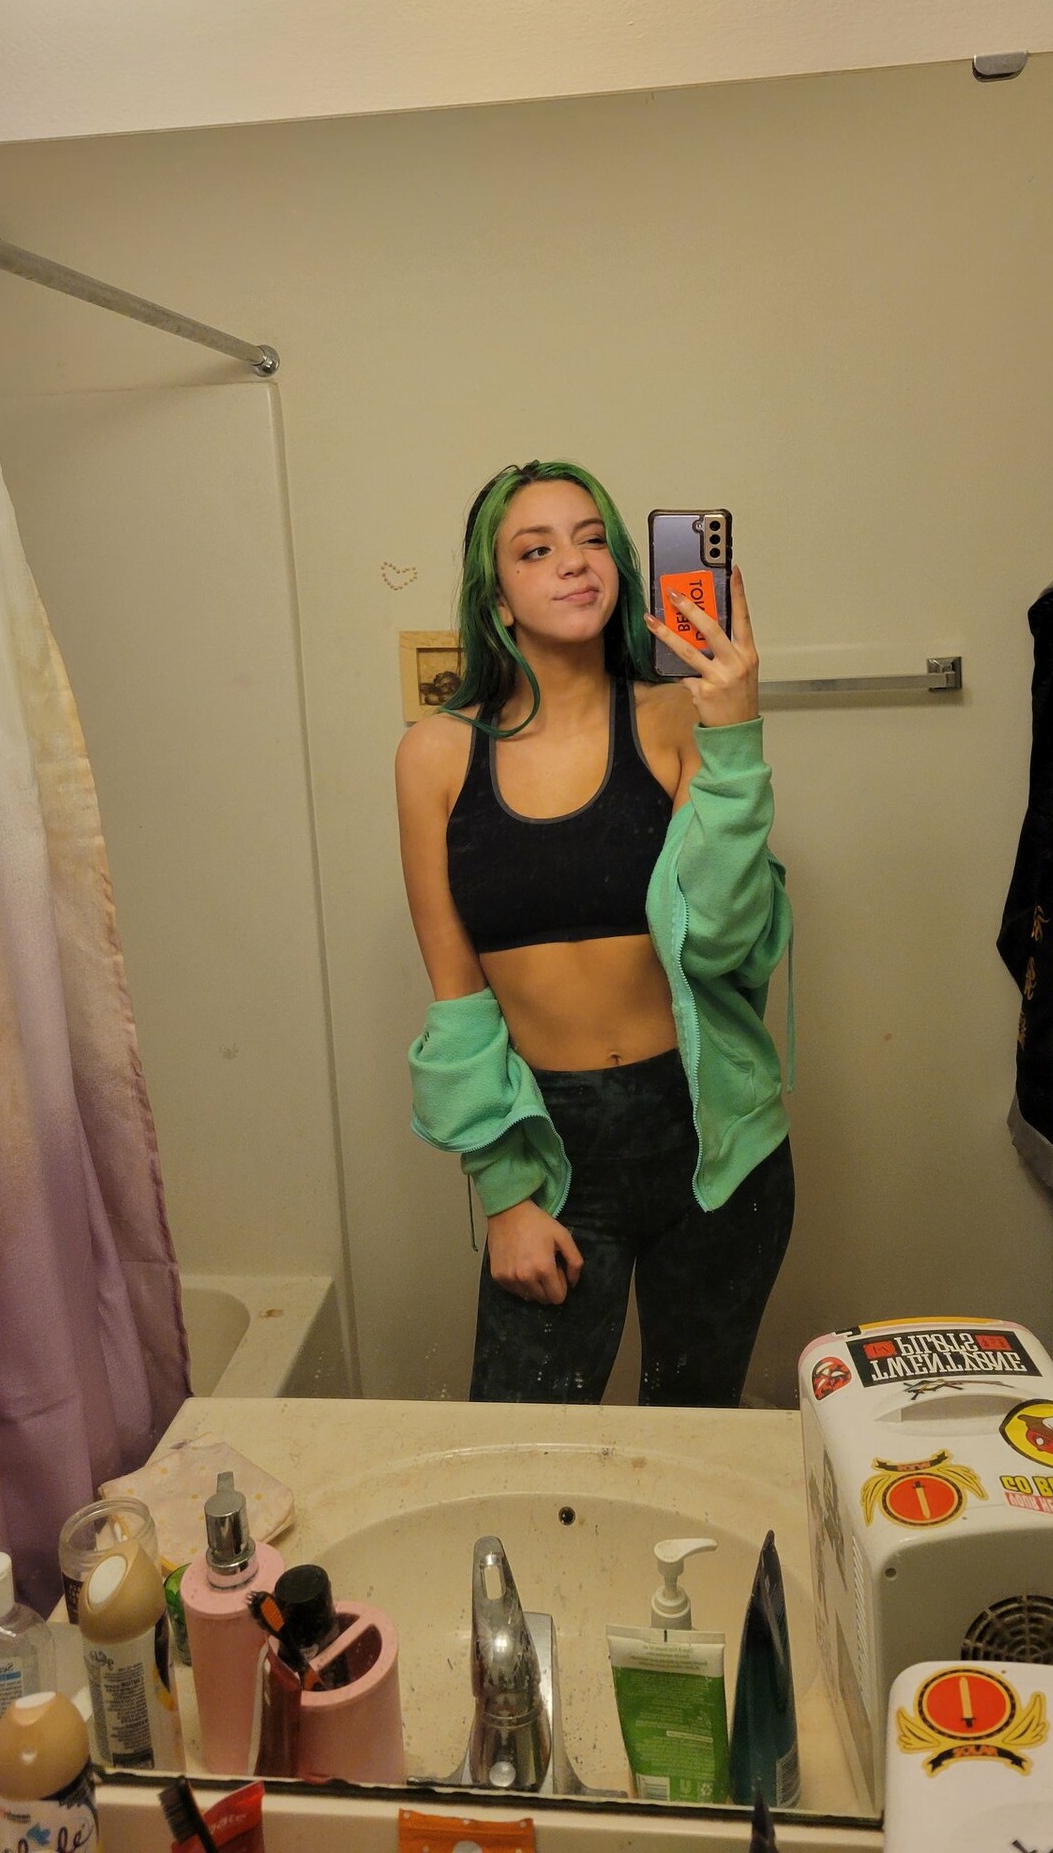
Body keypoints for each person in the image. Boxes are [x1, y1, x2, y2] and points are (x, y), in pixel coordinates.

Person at [396, 460, 794, 1405]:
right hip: (552, 1146)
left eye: (590, 541)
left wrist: (735, 739)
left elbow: (724, 941)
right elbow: (456, 996)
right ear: (496, 598)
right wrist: (504, 1195)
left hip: (714, 1140)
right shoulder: (436, 755)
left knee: (695, 1431)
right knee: (524, 1448)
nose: (574, 563)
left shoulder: (677, 719)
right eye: (536, 550)